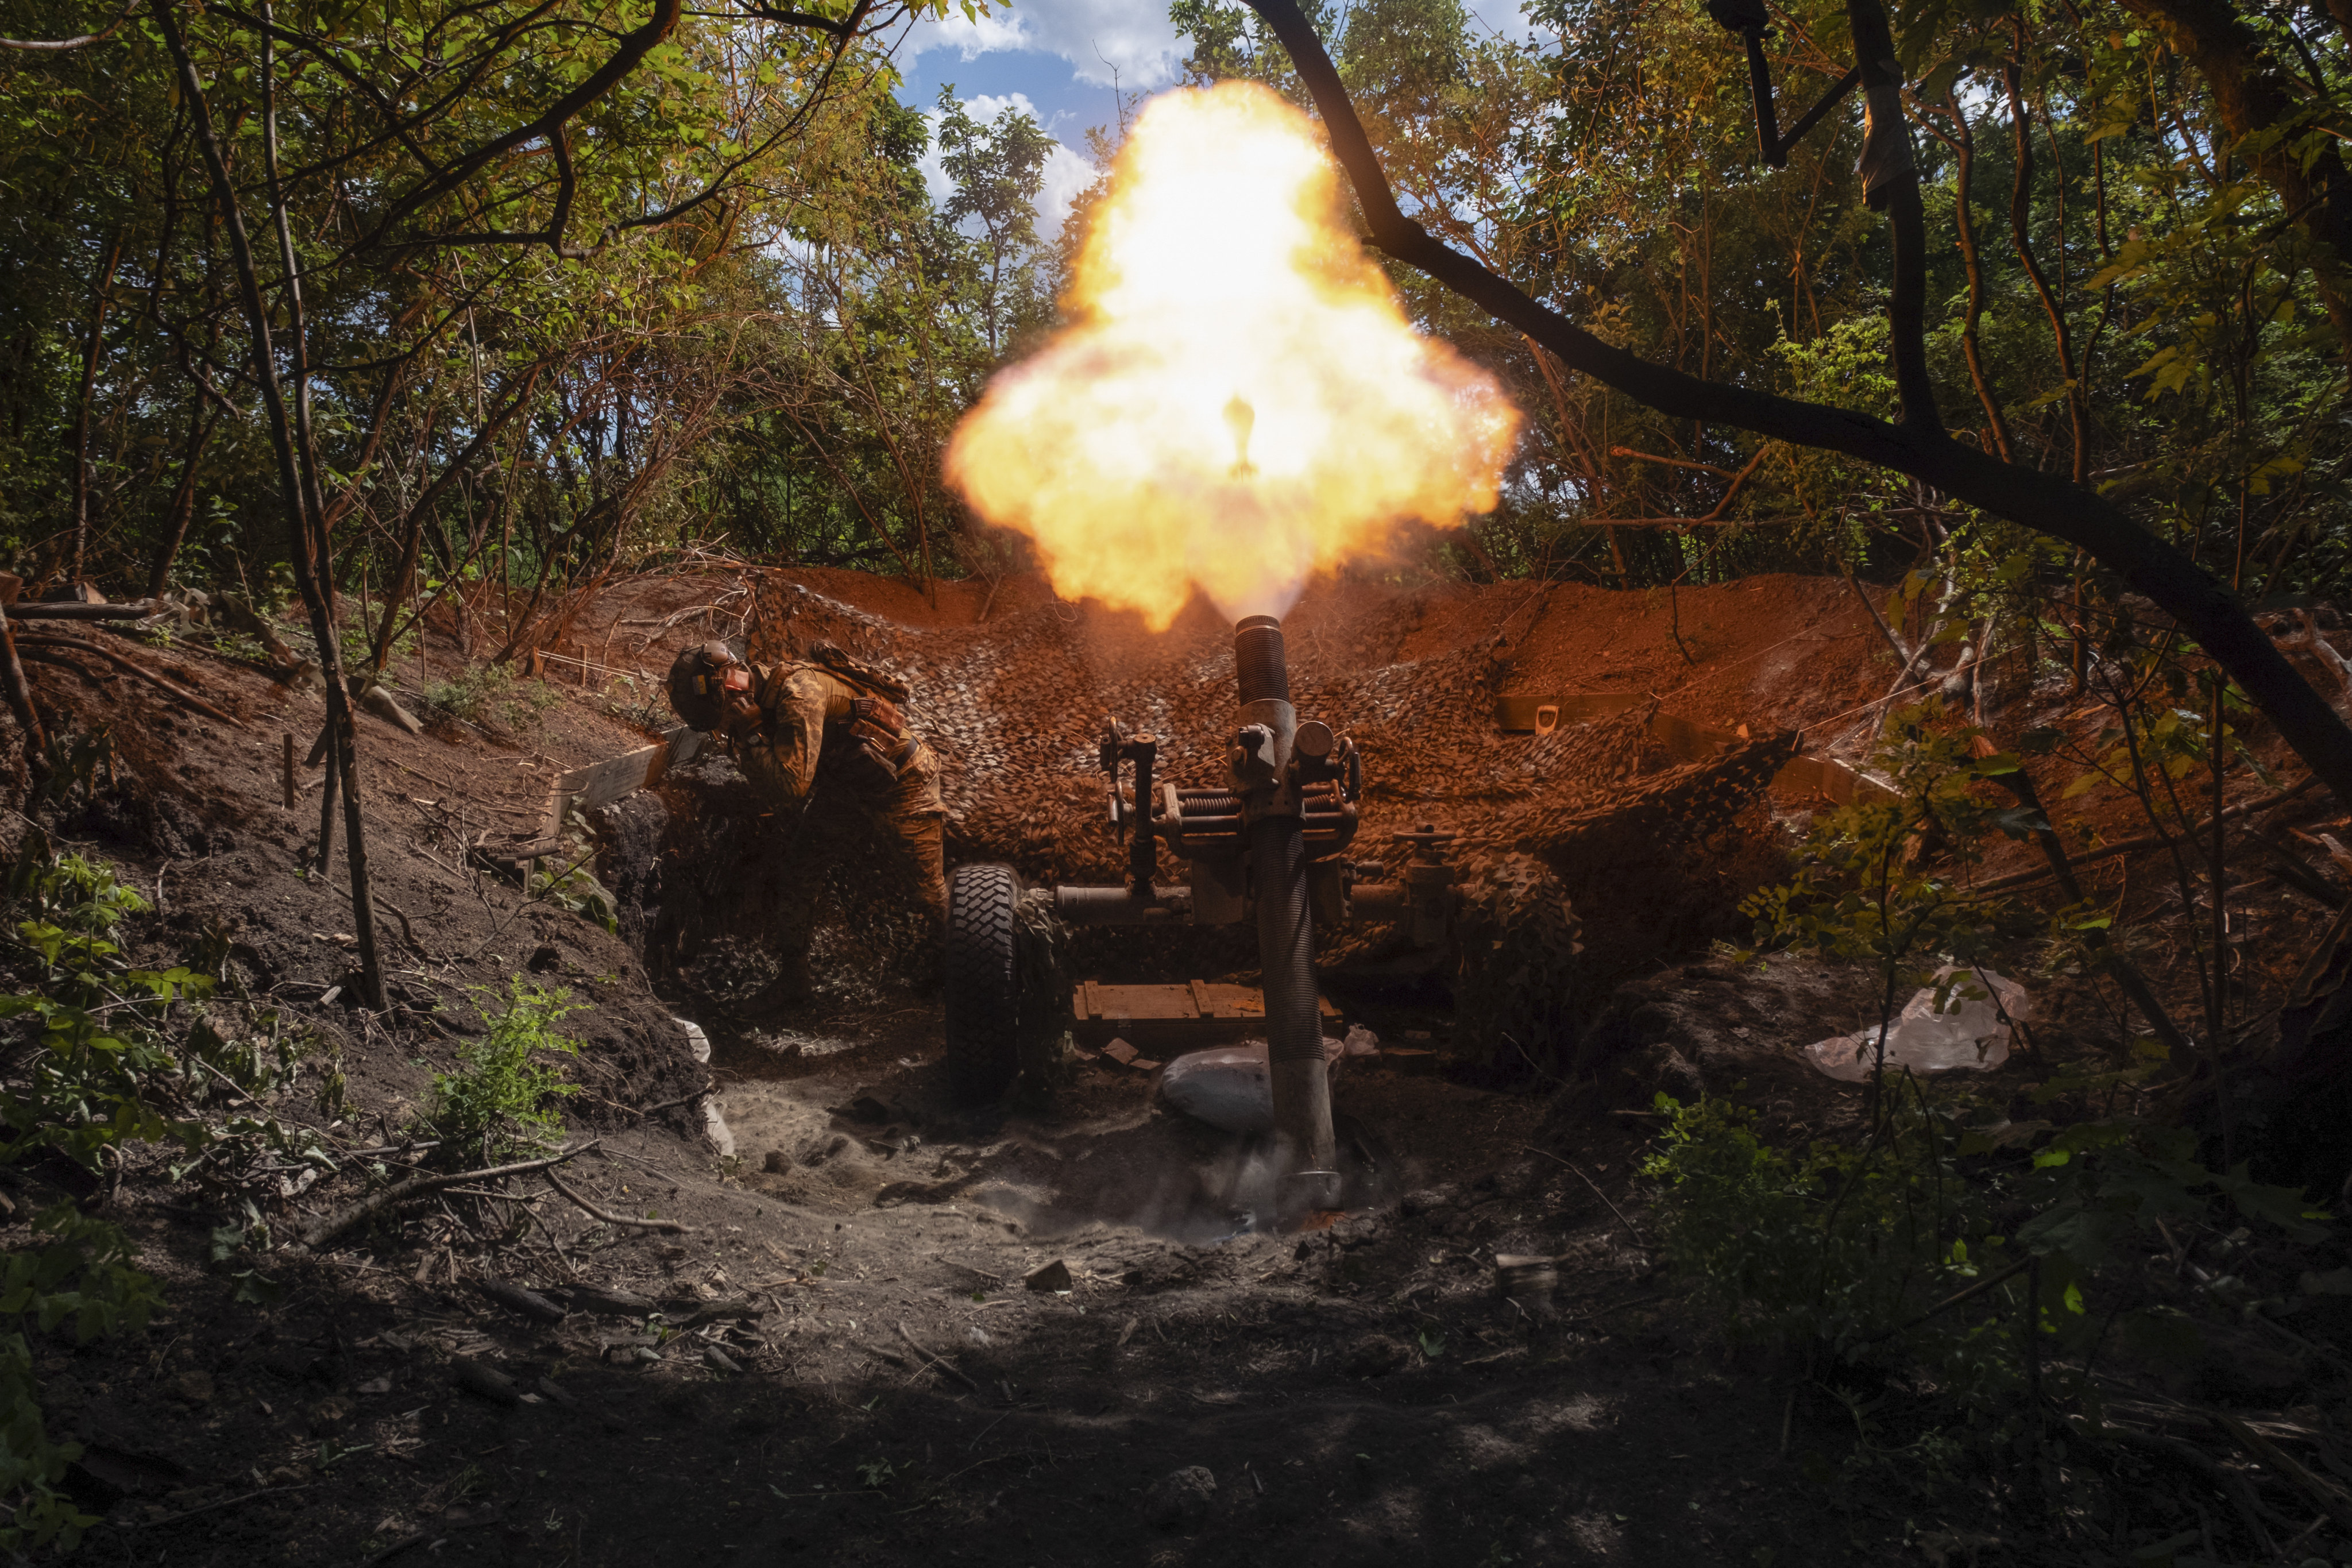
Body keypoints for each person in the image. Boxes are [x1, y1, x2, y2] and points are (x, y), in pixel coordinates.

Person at [666, 638, 948, 1004]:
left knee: (927, 892)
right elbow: (773, 790)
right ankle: (794, 983)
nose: (722, 727)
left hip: (905, 780)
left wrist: (752, 731)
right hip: (848, 785)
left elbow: (790, 787)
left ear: (728, 691)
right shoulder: (760, 702)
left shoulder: (798, 696)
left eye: (718, 718)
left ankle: (966, 968)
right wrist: (750, 734)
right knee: (800, 870)